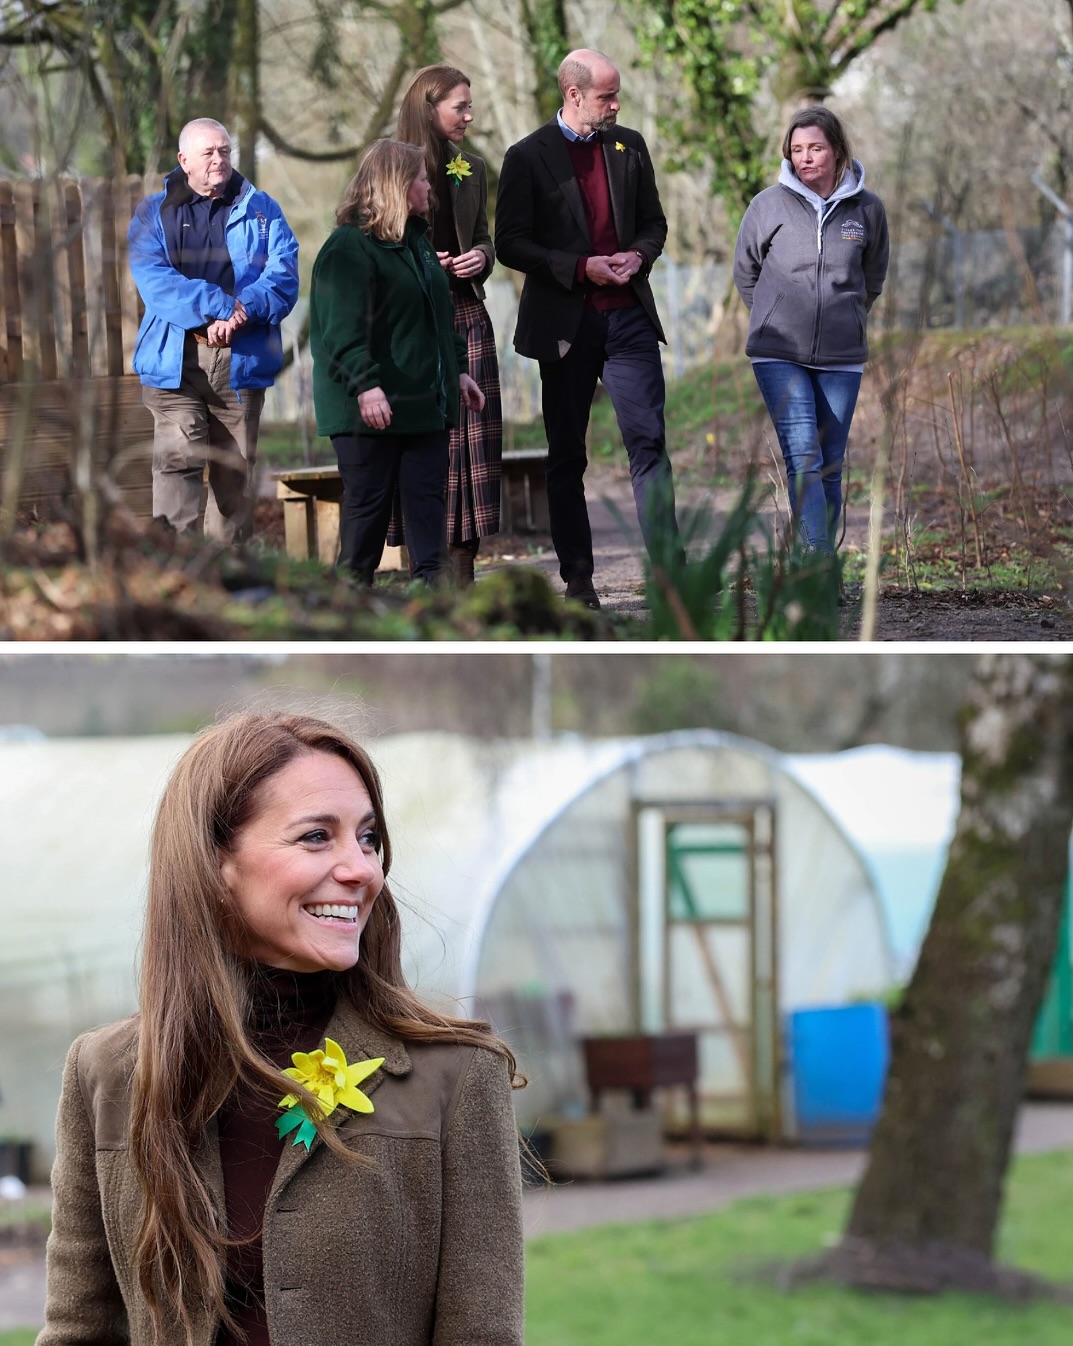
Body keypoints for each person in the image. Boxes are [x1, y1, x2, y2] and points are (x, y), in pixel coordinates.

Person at [37, 710, 525, 1346]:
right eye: (317, 837)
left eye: (369, 838)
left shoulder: (455, 1078)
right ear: (215, 864)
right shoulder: (106, 1075)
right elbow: (79, 1330)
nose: (362, 869)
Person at [495, 48, 683, 612]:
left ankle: (670, 574)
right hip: (565, 324)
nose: (616, 104)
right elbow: (511, 243)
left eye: (616, 94)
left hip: (628, 317)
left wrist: (638, 256)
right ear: (573, 94)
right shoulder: (526, 157)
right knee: (566, 456)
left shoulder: (630, 146)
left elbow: (654, 223)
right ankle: (578, 579)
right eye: (607, 96)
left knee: (648, 442)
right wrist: (580, 267)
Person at [310, 140, 485, 586]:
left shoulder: (418, 245)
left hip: (421, 405)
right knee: (366, 509)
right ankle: (351, 607)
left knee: (428, 505)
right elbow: (340, 330)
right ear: (398, 185)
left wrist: (458, 368)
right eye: (423, 179)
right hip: (365, 410)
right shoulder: (348, 248)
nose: (430, 187)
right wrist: (366, 386)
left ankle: (437, 601)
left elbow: (436, 316)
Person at [128, 118, 300, 542]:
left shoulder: (263, 210)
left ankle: (226, 579)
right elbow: (156, 282)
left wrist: (242, 311)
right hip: (177, 358)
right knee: (179, 457)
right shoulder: (154, 213)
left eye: (225, 151)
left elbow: (284, 275)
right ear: (184, 159)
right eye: (208, 153)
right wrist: (221, 306)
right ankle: (177, 567)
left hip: (240, 363)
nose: (219, 160)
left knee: (234, 478)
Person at [732, 106, 890, 554]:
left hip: (842, 357)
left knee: (830, 467)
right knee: (804, 457)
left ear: (837, 151)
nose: (806, 157)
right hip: (778, 352)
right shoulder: (767, 205)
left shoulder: (868, 209)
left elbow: (873, 278)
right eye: (797, 149)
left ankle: (819, 558)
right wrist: (772, 315)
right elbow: (746, 273)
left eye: (816, 147)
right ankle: (818, 566)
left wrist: (850, 316)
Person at [392, 64, 502, 589]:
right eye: (459, 106)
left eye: (469, 105)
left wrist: (481, 256)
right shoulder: (386, 163)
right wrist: (419, 264)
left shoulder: (472, 168)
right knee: (421, 444)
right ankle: (423, 577)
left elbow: (484, 236)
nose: (469, 115)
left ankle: (463, 577)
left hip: (466, 317)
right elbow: (365, 239)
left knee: (472, 447)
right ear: (427, 106)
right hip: (411, 324)